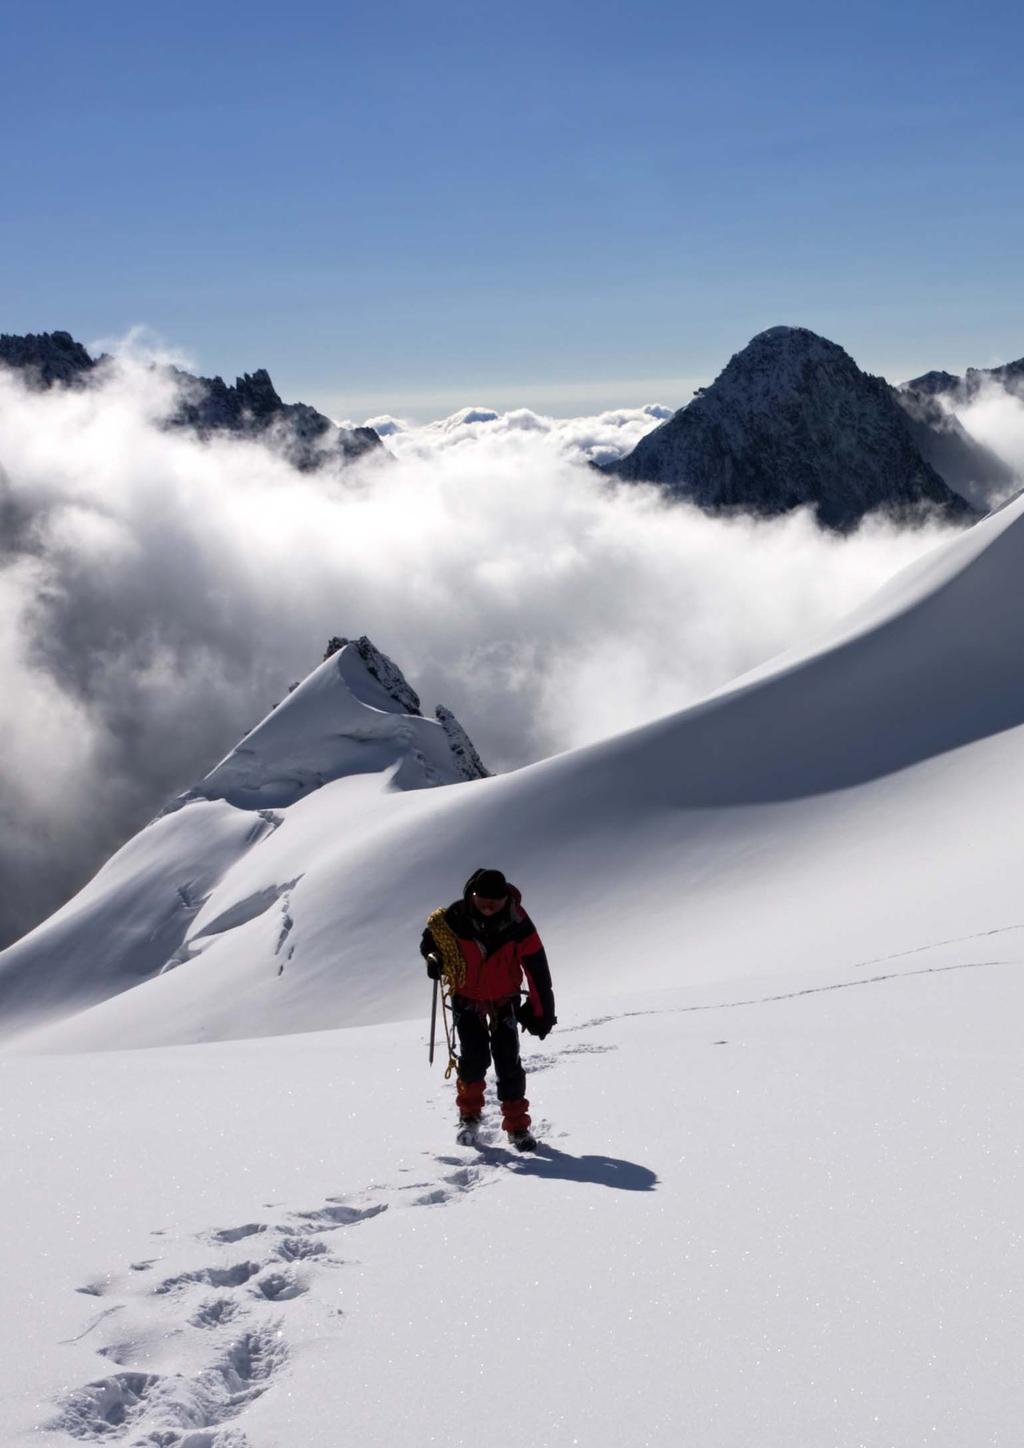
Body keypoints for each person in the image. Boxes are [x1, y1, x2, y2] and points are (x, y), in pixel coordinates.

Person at [420, 867, 556, 1151]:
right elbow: (431, 939)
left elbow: (537, 969)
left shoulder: (518, 923)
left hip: (503, 1002)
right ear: (473, 895)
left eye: (494, 902)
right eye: (483, 901)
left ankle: (518, 1126)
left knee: (508, 1063)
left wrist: (542, 1011)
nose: (488, 908)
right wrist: (433, 958)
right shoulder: (454, 918)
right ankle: (469, 1116)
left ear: (506, 898)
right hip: (466, 1000)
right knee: (473, 1060)